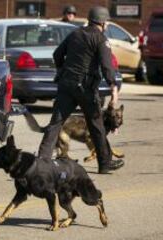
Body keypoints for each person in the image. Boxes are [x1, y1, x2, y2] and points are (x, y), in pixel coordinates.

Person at [38, 6, 124, 174]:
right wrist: (113, 86)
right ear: (103, 22)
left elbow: (57, 54)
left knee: (56, 123)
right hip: (86, 88)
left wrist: (62, 70)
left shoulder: (75, 34)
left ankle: (41, 162)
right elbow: (107, 66)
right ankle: (105, 164)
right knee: (96, 126)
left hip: (67, 85)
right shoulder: (100, 39)